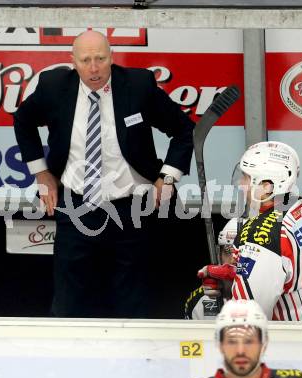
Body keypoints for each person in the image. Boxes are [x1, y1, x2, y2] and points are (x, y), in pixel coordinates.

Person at [13, 30, 194, 318]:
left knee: (132, 301)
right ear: (72, 61)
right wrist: (42, 173)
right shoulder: (54, 86)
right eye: (86, 60)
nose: (94, 68)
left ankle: (135, 359)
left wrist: (168, 176)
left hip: (131, 210)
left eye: (100, 59)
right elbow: (22, 120)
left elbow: (184, 130)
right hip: (76, 208)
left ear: (112, 58)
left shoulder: (138, 86)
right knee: (69, 302)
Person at [198, 141, 302, 338]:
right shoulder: (301, 205)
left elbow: (248, 314)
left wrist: (230, 292)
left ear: (267, 186)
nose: (240, 184)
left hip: (301, 342)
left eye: (246, 178)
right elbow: (289, 268)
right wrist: (237, 274)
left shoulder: (261, 238)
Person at [179, 299, 302, 378]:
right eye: (232, 341)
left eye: (249, 341)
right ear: (220, 344)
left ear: (264, 343)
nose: (240, 350)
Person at [185, 217, 239, 320]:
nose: (233, 260)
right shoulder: (199, 299)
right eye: (228, 251)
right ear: (218, 254)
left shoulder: (268, 294)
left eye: (241, 253)